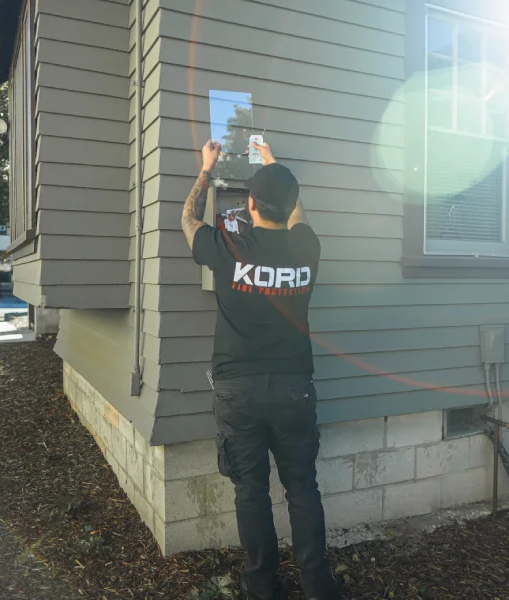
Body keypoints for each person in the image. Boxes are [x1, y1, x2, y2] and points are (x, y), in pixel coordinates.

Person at [181, 139, 339, 600]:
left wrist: (206, 171)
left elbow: (188, 221)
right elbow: (298, 217)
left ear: (248, 205)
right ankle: (316, 584)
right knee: (302, 487)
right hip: (294, 389)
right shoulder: (306, 247)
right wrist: (274, 165)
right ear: (290, 206)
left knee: (250, 490)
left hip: (239, 389)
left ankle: (261, 584)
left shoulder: (228, 246)